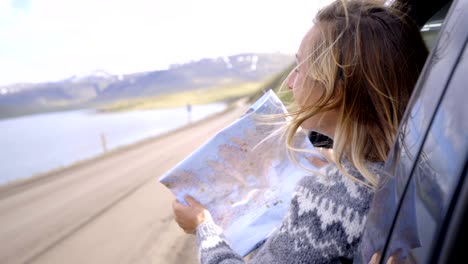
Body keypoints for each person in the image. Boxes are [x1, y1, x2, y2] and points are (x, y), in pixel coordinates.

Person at [172, 0, 429, 263]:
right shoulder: (419, 161)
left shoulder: (329, 200)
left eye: (300, 68)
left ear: (336, 89)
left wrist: (204, 228)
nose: (291, 82)